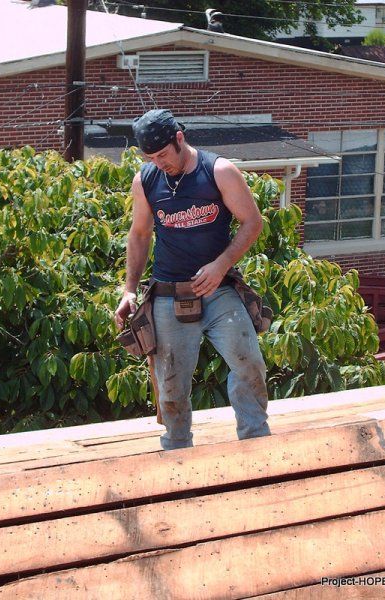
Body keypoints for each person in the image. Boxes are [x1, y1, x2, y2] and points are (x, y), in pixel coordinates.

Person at [114, 109, 270, 450]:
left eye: (163, 154)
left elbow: (253, 222)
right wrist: (129, 290)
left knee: (248, 363)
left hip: (219, 290)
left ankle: (256, 442)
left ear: (179, 139)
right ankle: (176, 449)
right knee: (170, 384)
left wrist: (221, 265)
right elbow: (139, 235)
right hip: (169, 294)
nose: (159, 163)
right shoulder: (146, 180)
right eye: (151, 158)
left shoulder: (219, 171)